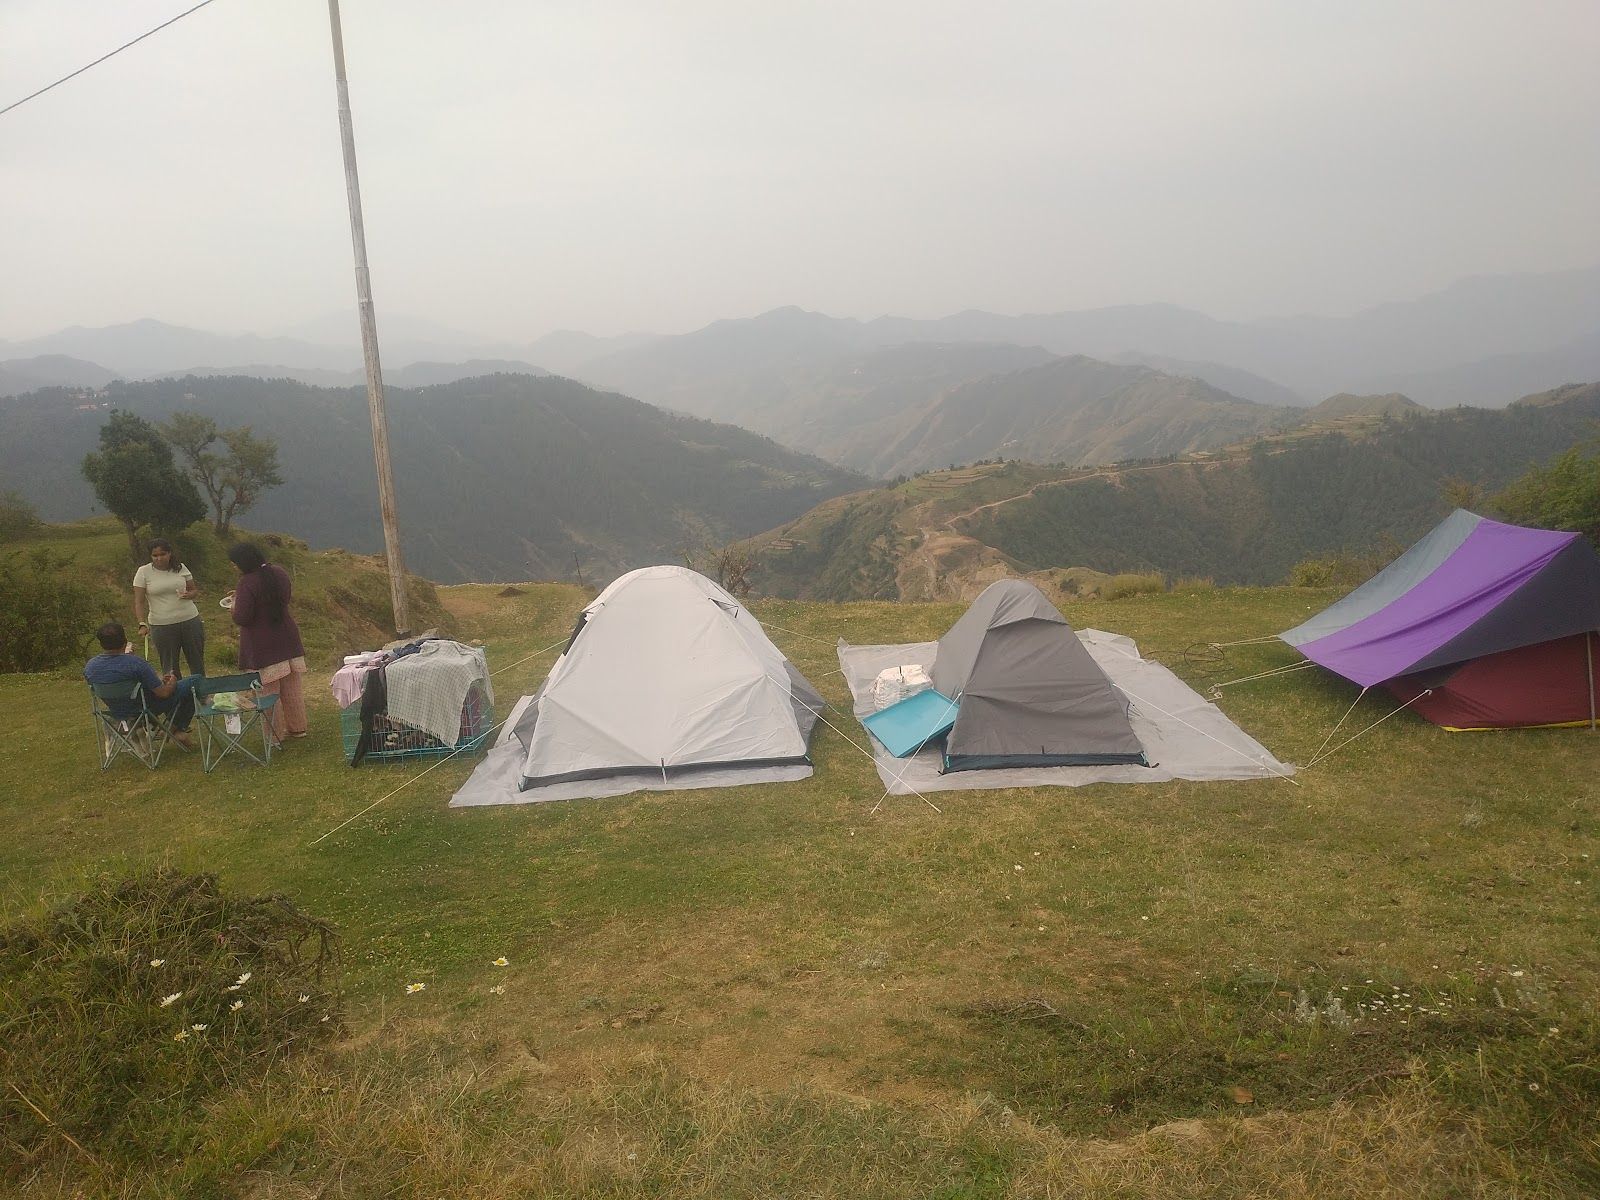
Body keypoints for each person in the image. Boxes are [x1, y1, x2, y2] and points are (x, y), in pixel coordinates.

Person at [226, 542, 308, 745]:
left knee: (267, 691)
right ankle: (298, 727)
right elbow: (285, 598)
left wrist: (234, 606)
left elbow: (243, 616)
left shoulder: (246, 582)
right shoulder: (278, 572)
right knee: (291, 686)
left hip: (262, 642)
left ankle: (274, 734)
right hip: (287, 636)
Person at [83, 621, 198, 749]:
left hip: (115, 709)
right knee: (194, 682)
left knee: (181, 689)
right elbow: (164, 693)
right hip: (144, 708)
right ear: (125, 641)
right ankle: (175, 729)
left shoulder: (90, 666)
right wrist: (173, 682)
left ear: (101, 643)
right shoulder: (135, 663)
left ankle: (173, 729)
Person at [132, 538, 206, 677]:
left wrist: (188, 594)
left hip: (190, 620)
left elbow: (194, 590)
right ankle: (175, 697)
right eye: (155, 555)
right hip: (162, 625)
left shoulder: (181, 567)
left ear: (170, 553)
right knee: (170, 667)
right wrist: (141, 623)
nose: (159, 558)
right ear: (150, 556)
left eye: (163, 554)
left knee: (197, 662)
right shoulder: (143, 572)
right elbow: (139, 601)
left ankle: (201, 695)